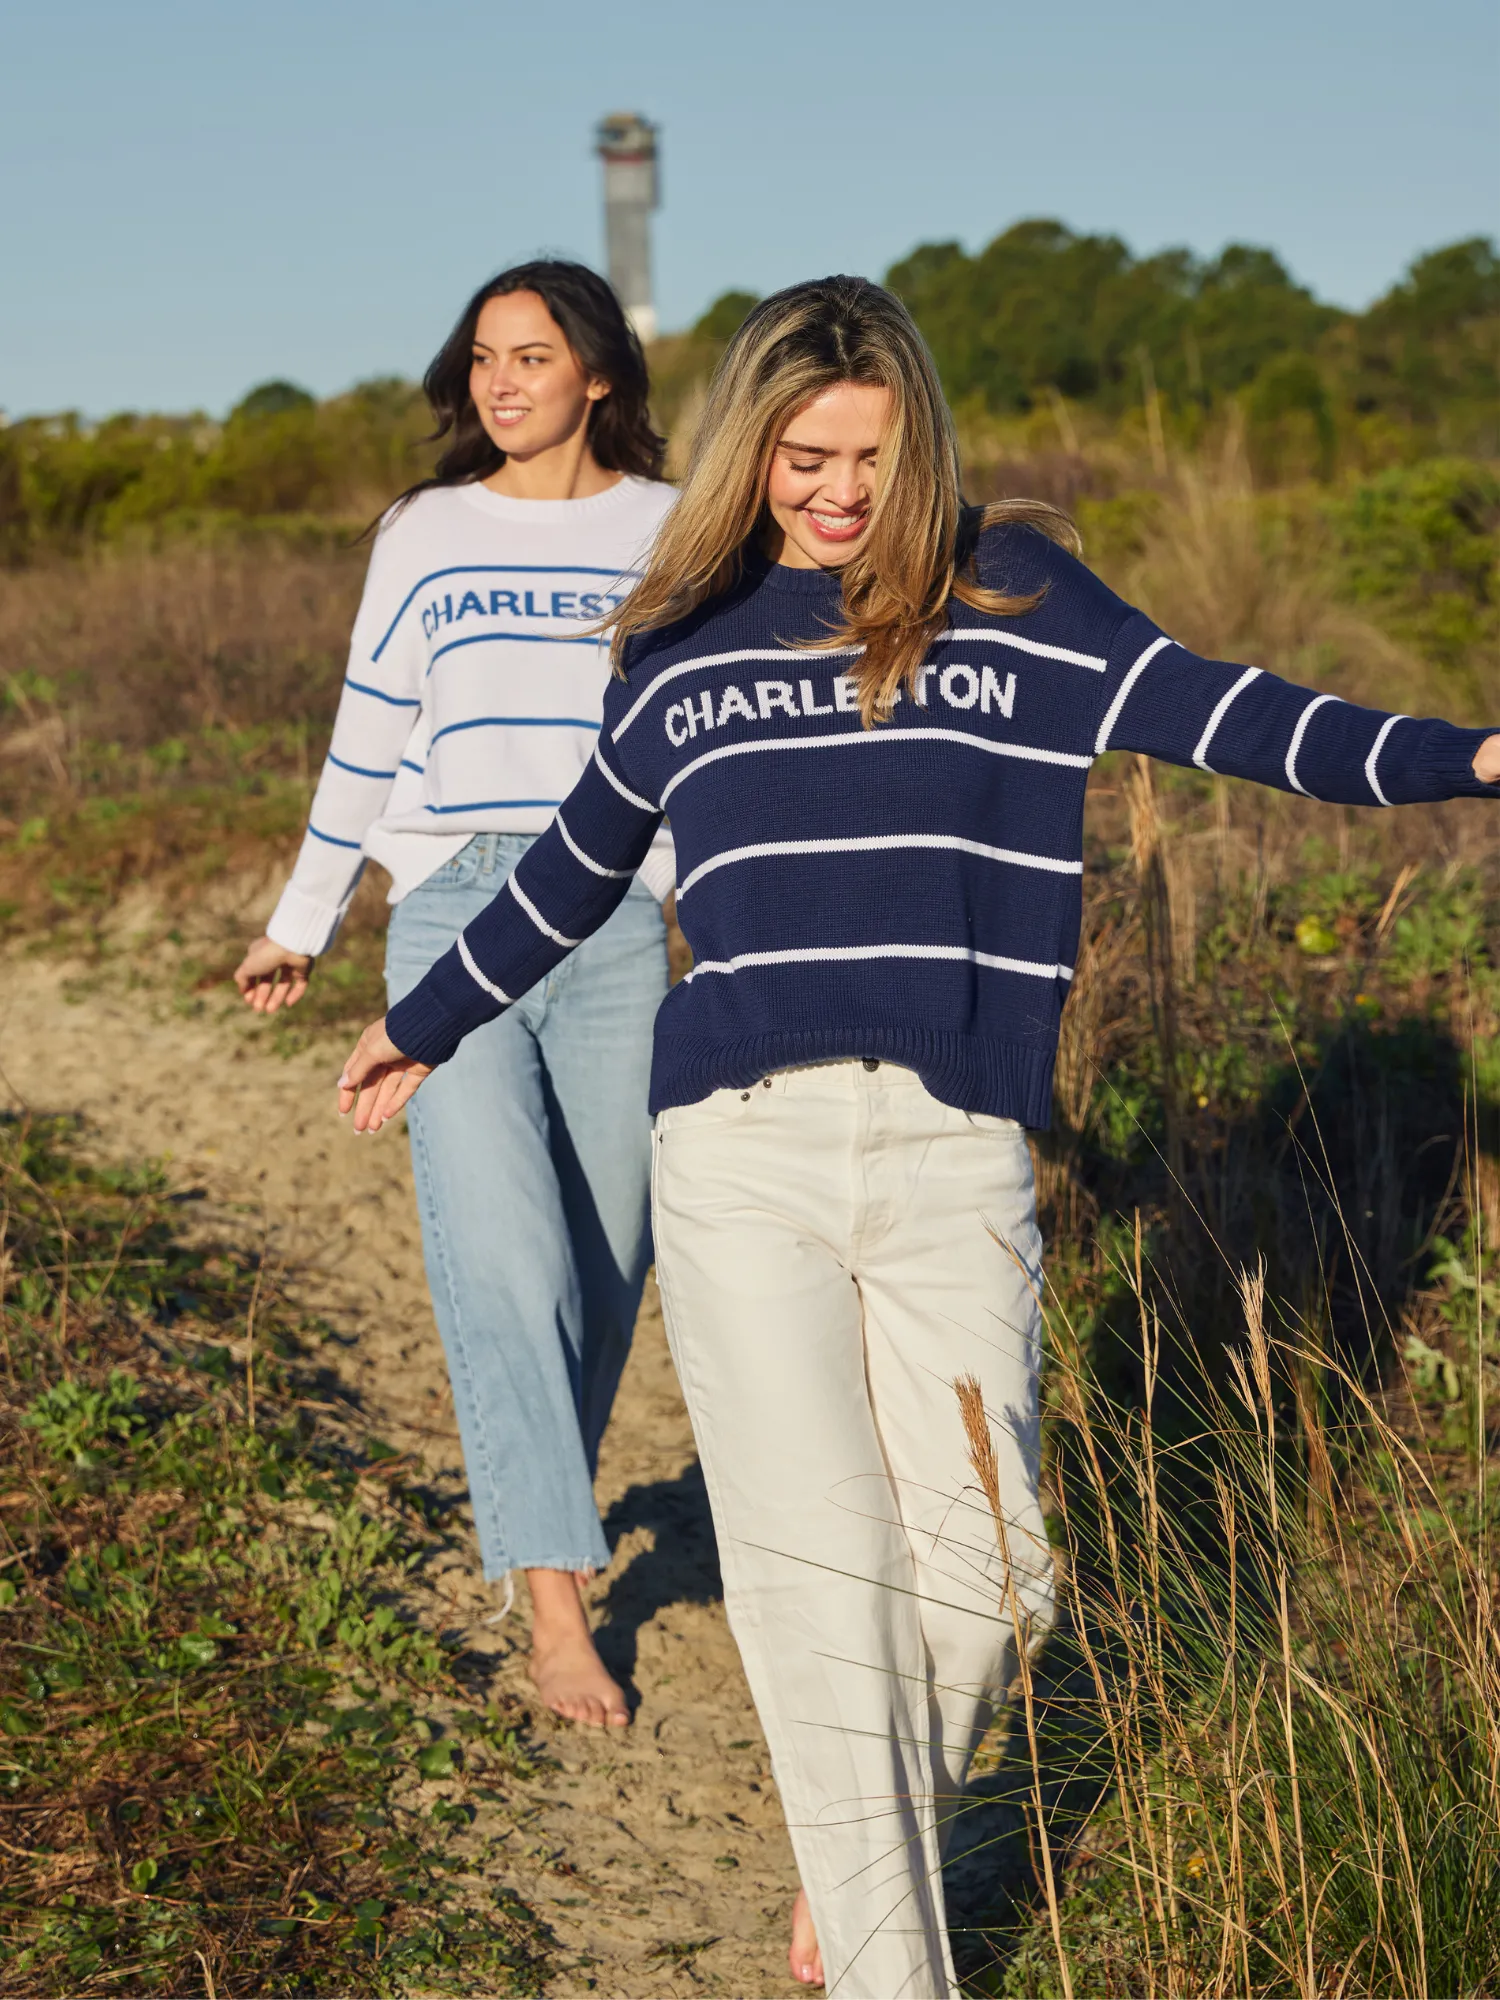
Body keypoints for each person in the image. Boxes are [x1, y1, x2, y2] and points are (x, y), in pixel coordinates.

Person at [333, 275, 1500, 1997]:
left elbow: (1243, 715)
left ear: (922, 450)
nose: (838, 492)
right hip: (737, 1150)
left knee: (996, 1579)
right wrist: (416, 1022)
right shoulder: (686, 640)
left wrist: (1471, 754)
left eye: (874, 457)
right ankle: (890, 1948)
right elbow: (579, 866)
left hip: (955, 1148)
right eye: (805, 454)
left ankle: (855, 1851)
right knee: (818, 1589)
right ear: (753, 451)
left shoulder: (1021, 603)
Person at [233, 261, 678, 1731]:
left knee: (611, 1263)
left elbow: (703, 741)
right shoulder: (426, 531)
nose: (500, 381)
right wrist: (301, 920)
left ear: (597, 372)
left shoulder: (673, 531)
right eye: (483, 357)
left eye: (532, 355)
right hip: (452, 914)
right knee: (510, 1264)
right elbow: (369, 732)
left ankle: (545, 1491)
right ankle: (557, 1603)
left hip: (613, 922)